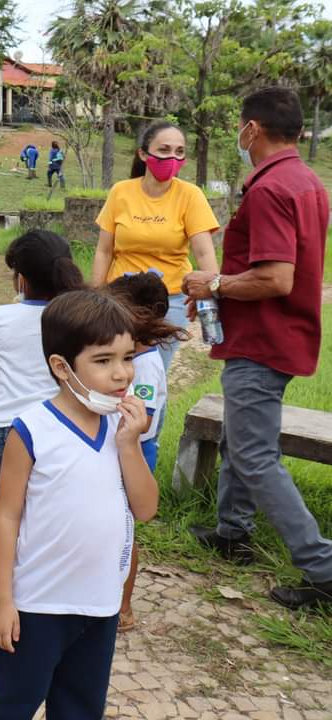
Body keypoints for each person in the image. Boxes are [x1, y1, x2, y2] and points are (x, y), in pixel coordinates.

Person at [183, 86, 332, 611]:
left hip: (264, 340)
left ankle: (323, 568)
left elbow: (275, 278)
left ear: (252, 129)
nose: (239, 135)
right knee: (239, 437)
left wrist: (213, 284)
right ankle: (233, 531)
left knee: (254, 453)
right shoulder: (306, 181)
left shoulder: (270, 189)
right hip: (280, 335)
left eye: (240, 127)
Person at [0, 289, 159, 719]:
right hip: (38, 605)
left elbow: (146, 509)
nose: (122, 374)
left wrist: (130, 445)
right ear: (62, 367)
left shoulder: (123, 427)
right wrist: (1, 600)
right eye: (103, 361)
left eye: (128, 357)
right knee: (13, 705)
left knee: (80, 708)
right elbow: (6, 518)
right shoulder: (31, 431)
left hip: (99, 604)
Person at [0, 230, 84, 507]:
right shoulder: (77, 319)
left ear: (20, 279)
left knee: (9, 522)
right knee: (45, 524)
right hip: (55, 430)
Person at [93, 120, 220, 371]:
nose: (172, 157)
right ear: (143, 153)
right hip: (120, 298)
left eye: (179, 152)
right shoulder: (121, 192)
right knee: (115, 370)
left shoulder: (190, 195)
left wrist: (211, 292)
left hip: (169, 300)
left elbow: (204, 251)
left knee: (152, 372)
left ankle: (152, 413)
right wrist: (95, 295)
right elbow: (104, 250)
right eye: (164, 150)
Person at [108, 271, 187, 633]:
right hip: (119, 454)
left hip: (134, 457)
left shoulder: (146, 367)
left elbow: (145, 424)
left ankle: (123, 608)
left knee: (125, 533)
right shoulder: (131, 359)